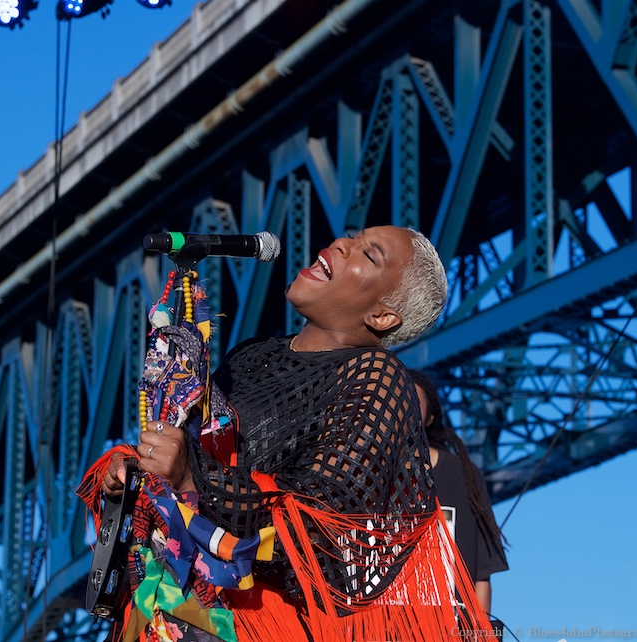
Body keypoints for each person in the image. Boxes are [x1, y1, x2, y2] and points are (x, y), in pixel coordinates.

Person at [83, 226, 493, 642]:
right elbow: (191, 456)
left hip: (252, 623)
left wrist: (192, 477)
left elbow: (319, 534)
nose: (340, 243)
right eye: (352, 235)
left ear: (382, 316)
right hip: (165, 608)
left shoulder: (377, 378)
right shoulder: (254, 354)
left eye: (369, 255)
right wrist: (135, 473)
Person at [409, 368, 509, 616]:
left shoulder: (461, 474)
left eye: (412, 401)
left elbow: (482, 574)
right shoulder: (365, 476)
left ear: (430, 417)